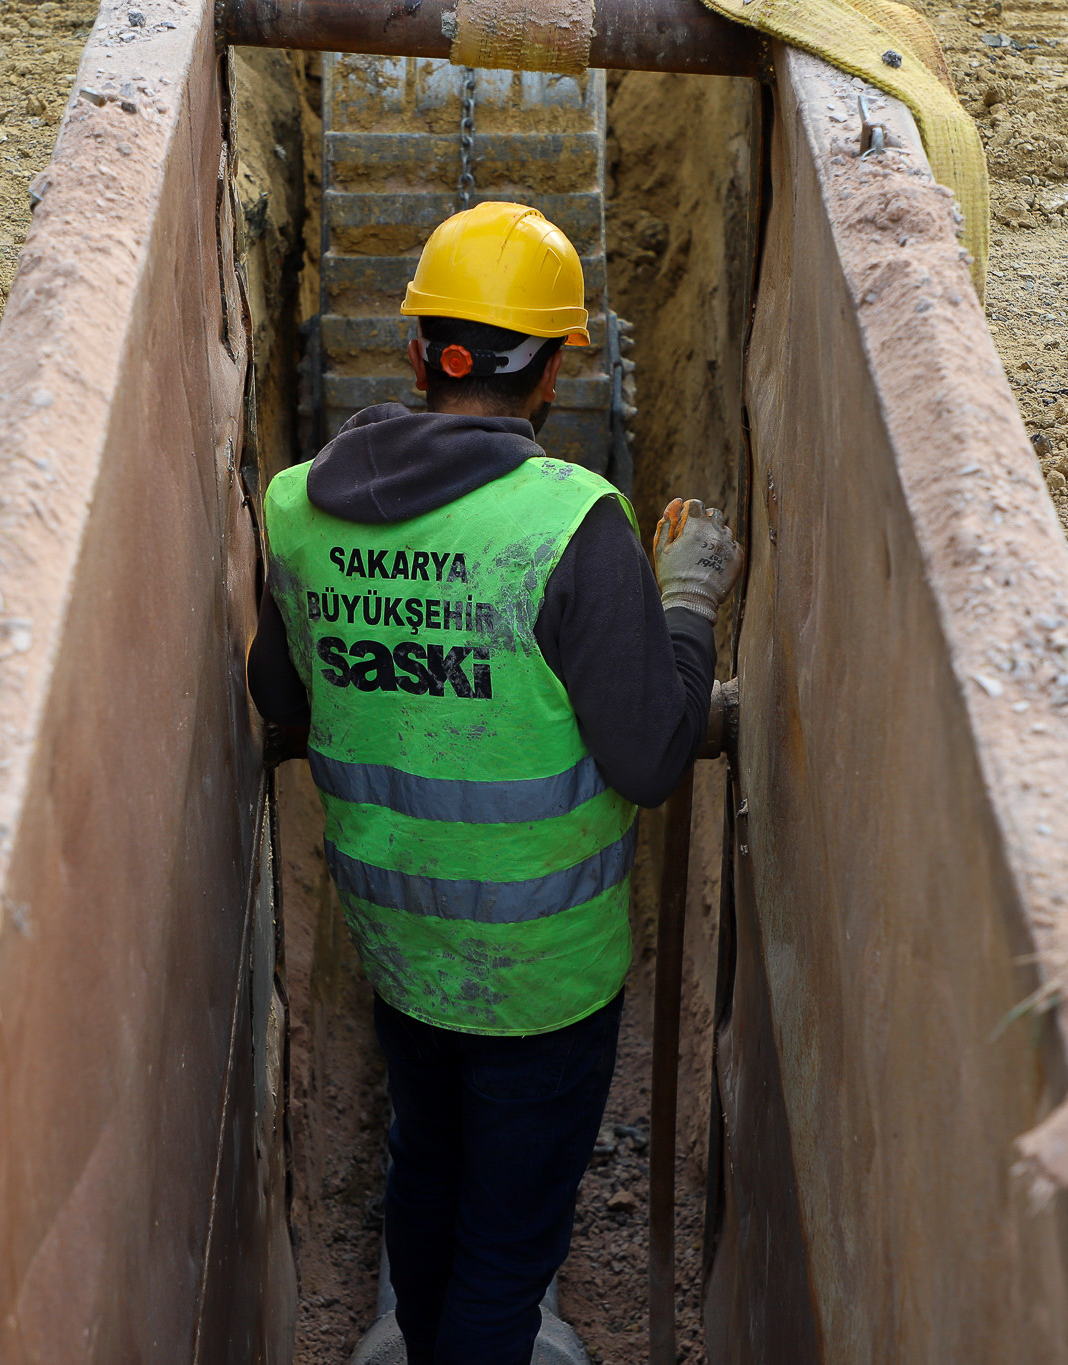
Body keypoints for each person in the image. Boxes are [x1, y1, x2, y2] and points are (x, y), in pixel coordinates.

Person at [247, 201, 744, 1365]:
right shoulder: (571, 524)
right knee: (508, 1250)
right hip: (541, 972)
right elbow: (651, 757)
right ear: (557, 370)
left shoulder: (294, 506)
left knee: (425, 1167)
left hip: (396, 939)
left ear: (417, 354)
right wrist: (685, 604)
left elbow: (286, 695)